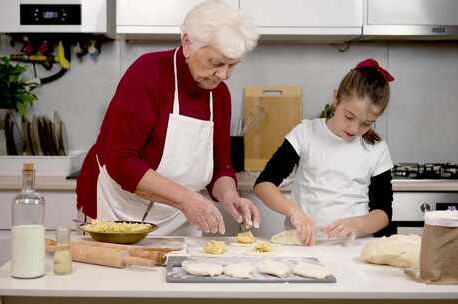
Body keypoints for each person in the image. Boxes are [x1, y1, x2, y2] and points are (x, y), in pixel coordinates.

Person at [77, 0, 261, 236]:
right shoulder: (147, 74)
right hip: (117, 211)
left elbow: (220, 166)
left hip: (177, 216)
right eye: (215, 63)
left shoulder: (220, 95)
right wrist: (185, 199)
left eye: (232, 65)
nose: (224, 75)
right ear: (187, 44)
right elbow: (121, 162)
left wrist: (229, 196)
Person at [254, 58, 396, 245]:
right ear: (335, 98)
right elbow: (264, 184)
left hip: (353, 250)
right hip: (304, 245)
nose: (354, 129)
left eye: (366, 124)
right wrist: (294, 212)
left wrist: (358, 224)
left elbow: (383, 213)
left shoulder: (377, 149)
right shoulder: (305, 133)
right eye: (349, 116)